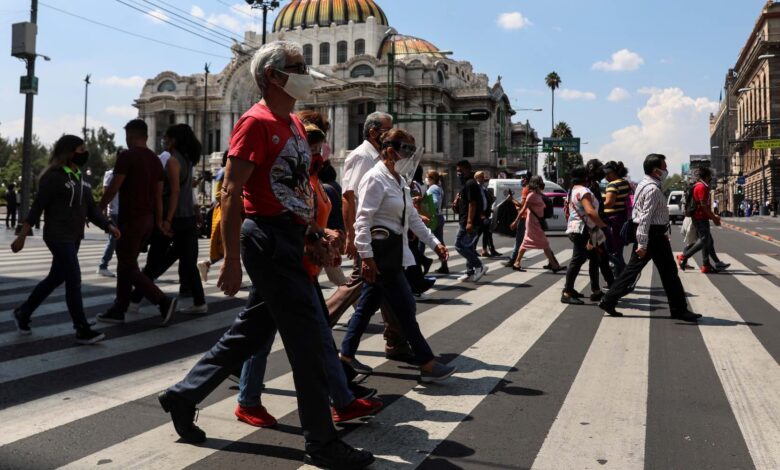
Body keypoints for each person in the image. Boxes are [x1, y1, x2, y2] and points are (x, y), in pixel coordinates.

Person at [157, 41, 374, 469]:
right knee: (309, 343)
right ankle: (322, 442)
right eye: (298, 66)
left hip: (290, 237)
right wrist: (232, 260)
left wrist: (314, 232)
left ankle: (184, 394)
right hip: (267, 240)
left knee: (250, 334)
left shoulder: (292, 124)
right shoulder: (254, 123)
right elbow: (231, 191)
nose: (306, 73)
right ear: (272, 76)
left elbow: (293, 190)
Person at [234, 120, 382, 429]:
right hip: (288, 265)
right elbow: (289, 218)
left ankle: (340, 400)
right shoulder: (295, 178)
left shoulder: (312, 179)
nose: (318, 154)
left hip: (304, 267)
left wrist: (327, 237)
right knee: (272, 337)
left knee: (307, 336)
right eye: (313, 148)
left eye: (319, 148)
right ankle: (241, 399)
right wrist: (320, 237)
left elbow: (310, 220)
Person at [339, 128, 455, 382]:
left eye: (412, 151)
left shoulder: (399, 181)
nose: (409, 156)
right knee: (405, 309)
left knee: (367, 307)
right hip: (381, 256)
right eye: (406, 150)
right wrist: (366, 257)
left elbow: (412, 218)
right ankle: (427, 362)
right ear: (390, 151)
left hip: (393, 254)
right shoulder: (374, 178)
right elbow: (363, 220)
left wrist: (434, 243)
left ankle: (345, 356)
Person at [10, 135, 119, 344]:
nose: (84, 153)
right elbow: (37, 207)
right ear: (69, 152)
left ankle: (23, 312)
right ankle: (81, 328)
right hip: (57, 235)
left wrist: (108, 226)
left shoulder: (82, 178)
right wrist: (22, 235)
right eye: (81, 149)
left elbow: (92, 209)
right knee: (73, 278)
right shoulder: (53, 177)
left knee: (56, 277)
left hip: (74, 236)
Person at [326, 111, 415, 364]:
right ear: (374, 132)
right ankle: (318, 327)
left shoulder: (380, 158)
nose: (391, 134)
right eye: (387, 130)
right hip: (370, 239)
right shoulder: (361, 156)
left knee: (386, 292)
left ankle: (396, 342)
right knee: (359, 287)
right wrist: (353, 237)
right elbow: (348, 197)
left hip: (384, 240)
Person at [598, 154, 702, 322]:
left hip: (652, 234)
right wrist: (642, 243)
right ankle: (679, 309)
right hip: (652, 236)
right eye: (664, 167)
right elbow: (645, 218)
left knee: (637, 271)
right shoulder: (652, 189)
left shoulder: (643, 184)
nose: (666, 170)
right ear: (656, 171)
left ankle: (609, 300)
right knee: (666, 273)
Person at [97, 119, 178, 325]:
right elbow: (158, 196)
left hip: (131, 218)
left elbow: (114, 187)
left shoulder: (127, 156)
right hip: (148, 220)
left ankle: (162, 301)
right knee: (127, 263)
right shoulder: (155, 160)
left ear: (131, 136)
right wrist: (159, 221)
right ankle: (119, 307)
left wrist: (99, 208)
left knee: (127, 266)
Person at [561, 166, 610, 304]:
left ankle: (596, 291)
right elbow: (590, 211)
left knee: (594, 258)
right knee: (577, 260)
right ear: (586, 177)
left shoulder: (573, 190)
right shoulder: (584, 191)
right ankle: (567, 292)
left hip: (579, 229)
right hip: (583, 230)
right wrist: (603, 226)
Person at [677, 166, 729, 273]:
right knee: (704, 240)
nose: (711, 178)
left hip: (701, 217)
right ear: (707, 176)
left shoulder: (700, 185)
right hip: (700, 217)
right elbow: (704, 206)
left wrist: (711, 216)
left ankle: (707, 265)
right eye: (710, 176)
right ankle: (684, 256)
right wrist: (714, 218)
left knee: (708, 241)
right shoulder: (701, 187)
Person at [510, 176, 565, 272]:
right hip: (533, 222)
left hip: (536, 222)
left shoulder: (538, 194)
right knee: (545, 243)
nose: (542, 183)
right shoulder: (531, 195)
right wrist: (515, 221)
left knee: (526, 242)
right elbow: (523, 209)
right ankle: (554, 266)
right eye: (540, 181)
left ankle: (517, 263)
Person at [454, 159, 488, 282]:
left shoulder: (470, 184)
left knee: (459, 246)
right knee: (468, 247)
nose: (458, 173)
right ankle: (470, 272)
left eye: (460, 171)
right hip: (466, 220)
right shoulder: (467, 184)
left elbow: (472, 203)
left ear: (467, 169)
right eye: (457, 171)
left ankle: (479, 265)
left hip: (469, 222)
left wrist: (469, 222)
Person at [198, 152, 228, 283]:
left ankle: (209, 264)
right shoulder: (225, 171)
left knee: (228, 247)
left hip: (226, 212)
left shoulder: (224, 171)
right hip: (225, 212)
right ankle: (208, 264)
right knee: (228, 246)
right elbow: (218, 194)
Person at [602, 161, 631, 277]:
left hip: (612, 220)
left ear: (614, 173)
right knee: (618, 249)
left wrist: (596, 205)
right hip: (622, 218)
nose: (606, 177)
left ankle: (624, 274)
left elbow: (609, 203)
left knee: (609, 250)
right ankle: (620, 277)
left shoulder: (613, 185)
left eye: (607, 174)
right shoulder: (625, 183)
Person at [97, 168, 120, 277]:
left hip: (123, 211)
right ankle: (103, 266)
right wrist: (105, 213)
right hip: (114, 212)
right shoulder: (110, 174)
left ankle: (127, 266)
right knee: (113, 240)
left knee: (118, 240)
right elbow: (105, 193)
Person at [505, 172, 530, 267]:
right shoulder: (531, 188)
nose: (521, 180)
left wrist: (511, 199)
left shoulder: (526, 189)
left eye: (522, 178)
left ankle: (512, 260)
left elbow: (522, 205)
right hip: (529, 217)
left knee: (519, 240)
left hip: (524, 217)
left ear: (526, 179)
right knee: (541, 242)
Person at [425, 170, 448, 274]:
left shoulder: (433, 188)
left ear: (431, 178)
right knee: (440, 242)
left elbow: (435, 202)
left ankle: (420, 263)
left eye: (427, 177)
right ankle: (444, 265)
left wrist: (426, 208)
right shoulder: (438, 187)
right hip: (439, 216)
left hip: (433, 217)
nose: (426, 179)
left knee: (422, 240)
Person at [474, 171, 500, 258]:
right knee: (480, 232)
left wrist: (490, 209)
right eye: (481, 177)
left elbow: (485, 200)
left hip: (486, 213)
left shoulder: (483, 187)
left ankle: (485, 250)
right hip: (480, 214)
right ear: (477, 178)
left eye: (483, 177)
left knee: (486, 232)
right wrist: (479, 213)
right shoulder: (476, 187)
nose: (483, 178)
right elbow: (475, 202)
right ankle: (475, 249)